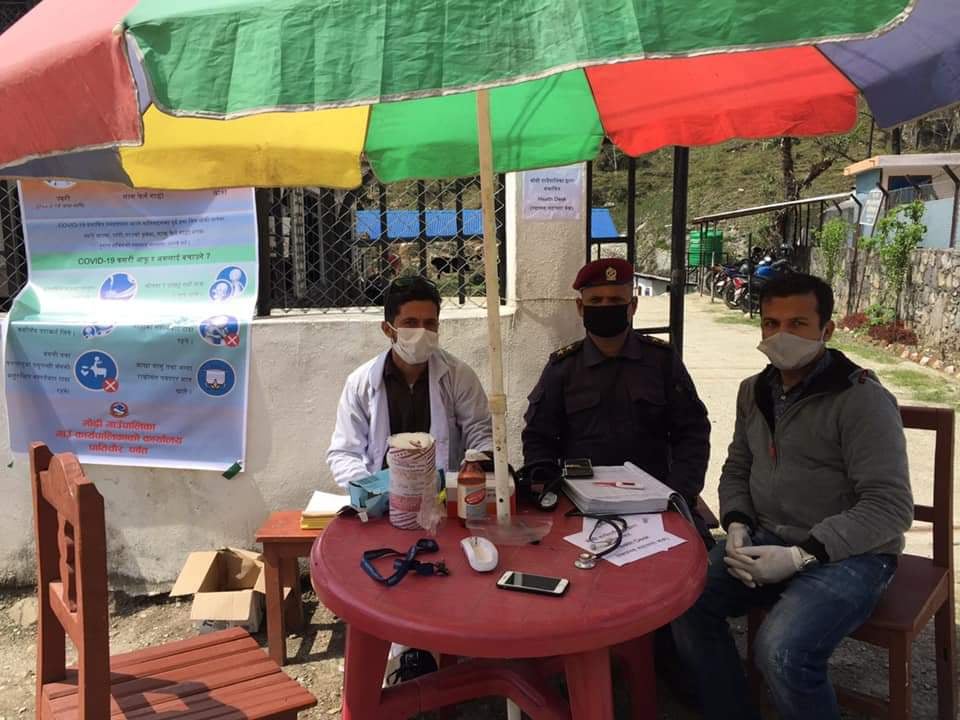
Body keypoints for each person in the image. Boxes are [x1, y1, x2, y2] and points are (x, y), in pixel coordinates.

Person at [672, 273, 913, 720]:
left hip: (852, 557)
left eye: (798, 323)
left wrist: (802, 555)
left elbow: (889, 506)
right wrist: (738, 522)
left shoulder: (860, 398)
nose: (781, 335)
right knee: (681, 602)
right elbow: (738, 467)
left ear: (827, 330)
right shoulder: (754, 390)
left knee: (781, 649)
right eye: (770, 323)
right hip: (765, 538)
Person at [521, 258, 712, 537]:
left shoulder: (661, 362)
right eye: (595, 300)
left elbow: (693, 432)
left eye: (615, 300)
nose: (605, 307)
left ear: (632, 306)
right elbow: (539, 438)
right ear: (580, 307)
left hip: (657, 502)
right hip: (582, 504)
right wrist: (550, 490)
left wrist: (677, 493)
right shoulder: (563, 369)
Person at [328, 275, 493, 487]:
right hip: (381, 499)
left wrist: (479, 463)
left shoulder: (459, 376)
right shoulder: (361, 383)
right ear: (387, 329)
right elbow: (344, 452)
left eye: (430, 323)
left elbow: (480, 433)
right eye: (410, 323)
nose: (421, 332)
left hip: (442, 497)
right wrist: (371, 490)